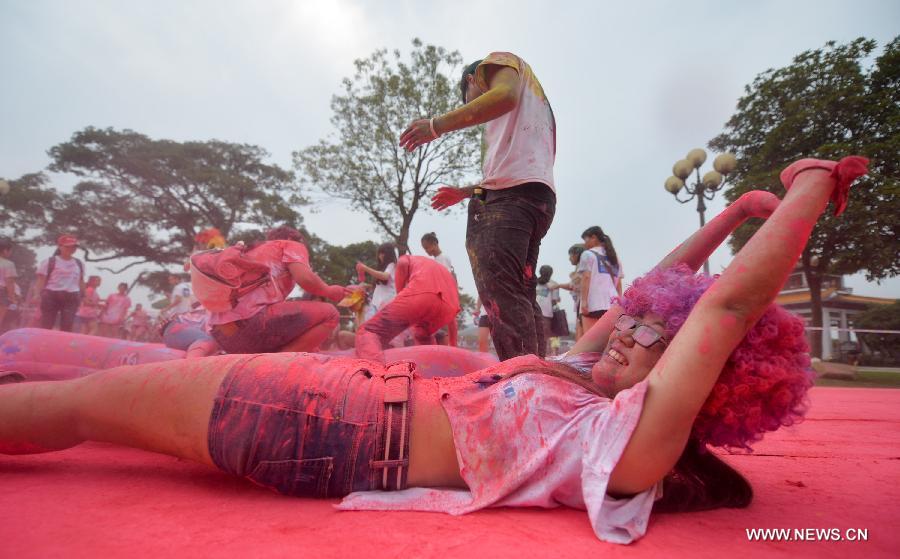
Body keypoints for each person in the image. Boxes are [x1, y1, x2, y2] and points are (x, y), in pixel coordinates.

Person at [0, 157, 868, 544]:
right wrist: (727, 216)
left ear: (708, 386)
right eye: (639, 322)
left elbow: (729, 303)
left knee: (77, 410)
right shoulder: (592, 387)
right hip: (334, 398)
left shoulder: (629, 443)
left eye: (658, 341)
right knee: (101, 394)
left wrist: (811, 184)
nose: (635, 331)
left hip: (323, 420)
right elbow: (666, 292)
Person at [402, 53, 556, 361]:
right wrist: (464, 192)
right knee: (520, 295)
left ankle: (522, 379)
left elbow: (504, 95)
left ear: (473, 80)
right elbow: (510, 171)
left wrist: (437, 125)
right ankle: (538, 372)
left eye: (467, 97)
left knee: (500, 295)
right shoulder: (531, 109)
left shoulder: (498, 64)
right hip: (534, 198)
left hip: (509, 200)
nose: (470, 105)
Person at [207, 226, 347, 354]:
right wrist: (329, 291)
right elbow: (306, 279)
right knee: (330, 314)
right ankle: (283, 361)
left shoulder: (250, 251)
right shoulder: (289, 244)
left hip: (221, 334)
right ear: (291, 238)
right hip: (250, 323)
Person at [355, 255, 460, 362]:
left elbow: (402, 263)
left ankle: (373, 369)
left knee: (368, 331)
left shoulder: (407, 258)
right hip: (448, 307)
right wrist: (453, 347)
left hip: (419, 296)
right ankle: (434, 367)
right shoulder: (443, 272)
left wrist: (400, 295)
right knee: (422, 335)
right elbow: (453, 322)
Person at [35, 235, 86, 332]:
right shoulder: (50, 261)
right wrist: (36, 294)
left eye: (73, 247)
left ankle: (61, 345)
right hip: (51, 295)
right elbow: (41, 280)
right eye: (68, 246)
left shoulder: (79, 263)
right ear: (60, 246)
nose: (71, 249)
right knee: (47, 323)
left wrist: (85, 296)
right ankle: (43, 344)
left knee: (67, 324)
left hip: (71, 297)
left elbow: (81, 281)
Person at [578, 226, 623, 334]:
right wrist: (620, 302)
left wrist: (583, 302)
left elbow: (586, 278)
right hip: (613, 303)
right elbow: (618, 283)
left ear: (593, 237)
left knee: (590, 339)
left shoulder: (587, 254)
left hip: (593, 303)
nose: (585, 243)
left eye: (586, 239)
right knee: (609, 338)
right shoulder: (614, 258)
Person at [421, 232, 458, 347]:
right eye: (424, 249)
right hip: (439, 293)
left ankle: (453, 344)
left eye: (427, 247)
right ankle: (439, 343)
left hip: (445, 293)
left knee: (451, 320)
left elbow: (446, 276)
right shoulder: (435, 260)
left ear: (435, 244)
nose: (426, 251)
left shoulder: (443, 258)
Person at [355, 243, 398, 321]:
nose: (380, 256)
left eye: (383, 253)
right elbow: (380, 286)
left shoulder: (392, 265)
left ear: (389, 254)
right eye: (380, 253)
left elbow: (385, 276)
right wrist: (367, 285)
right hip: (377, 303)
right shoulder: (382, 267)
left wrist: (365, 268)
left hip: (388, 303)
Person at [558, 244, 585, 340]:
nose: (569, 259)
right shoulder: (579, 267)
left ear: (576, 254)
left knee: (582, 327)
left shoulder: (582, 267)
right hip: (581, 301)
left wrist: (558, 285)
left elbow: (573, 285)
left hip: (583, 302)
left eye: (570, 255)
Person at [535, 265, 560, 357]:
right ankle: (543, 356)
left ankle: (534, 355)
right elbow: (555, 300)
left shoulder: (534, 283)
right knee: (545, 336)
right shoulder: (554, 284)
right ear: (551, 273)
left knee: (534, 335)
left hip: (533, 312)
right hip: (546, 313)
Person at [0, 239, 19, 330]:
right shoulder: (8, 264)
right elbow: (9, 282)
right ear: (5, 250)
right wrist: (12, 298)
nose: (10, 253)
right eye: (10, 250)